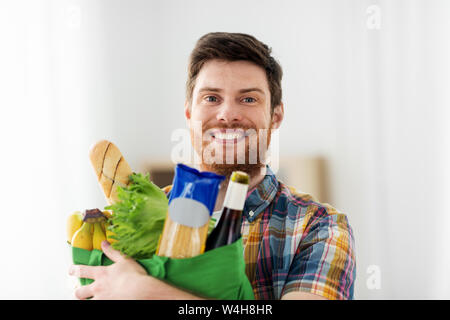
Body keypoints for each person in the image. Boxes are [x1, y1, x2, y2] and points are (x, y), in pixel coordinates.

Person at [69, 32, 356, 300]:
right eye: (211, 98)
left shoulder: (318, 226)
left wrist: (145, 290)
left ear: (276, 116)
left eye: (248, 99)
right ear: (189, 112)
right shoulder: (132, 219)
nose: (228, 114)